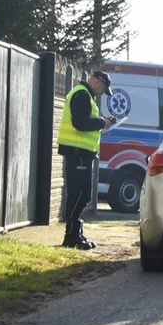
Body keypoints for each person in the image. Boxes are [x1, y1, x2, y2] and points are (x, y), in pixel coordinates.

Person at [56, 70, 116, 249]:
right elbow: (80, 123)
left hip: (80, 153)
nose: (101, 93)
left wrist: (102, 120)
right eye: (103, 88)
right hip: (78, 152)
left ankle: (75, 234)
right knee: (81, 194)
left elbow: (83, 119)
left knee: (79, 194)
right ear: (98, 82)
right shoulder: (82, 94)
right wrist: (101, 123)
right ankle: (71, 236)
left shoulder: (83, 94)